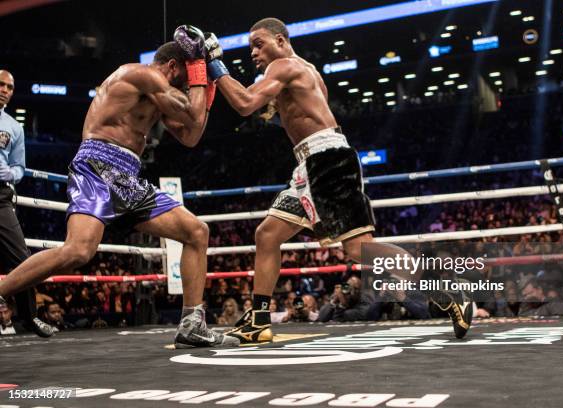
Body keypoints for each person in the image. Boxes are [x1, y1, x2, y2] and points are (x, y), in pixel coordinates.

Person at [203, 18, 472, 343]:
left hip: (327, 160)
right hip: (309, 165)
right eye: (250, 48)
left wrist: (215, 63)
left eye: (259, 44)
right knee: (268, 234)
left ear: (280, 40)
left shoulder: (285, 66)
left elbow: (245, 103)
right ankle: (259, 320)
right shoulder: (302, 72)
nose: (253, 53)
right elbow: (279, 115)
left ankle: (443, 287)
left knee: (359, 250)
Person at [0, 26, 238, 348]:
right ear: (171, 66)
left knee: (197, 231)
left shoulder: (157, 98)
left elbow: (192, 133)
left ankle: (192, 323)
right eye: (184, 75)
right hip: (98, 165)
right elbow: (191, 110)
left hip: (128, 176)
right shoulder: (141, 74)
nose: (185, 84)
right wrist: (199, 67)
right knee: (78, 251)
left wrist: (206, 83)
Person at [0, 69, 55, 337]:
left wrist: (11, 174)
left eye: (9, 87)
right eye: (1, 85)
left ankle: (30, 317)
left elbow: (20, 167)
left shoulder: (14, 127)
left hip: (0, 197)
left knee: (21, 258)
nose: (4, 90)